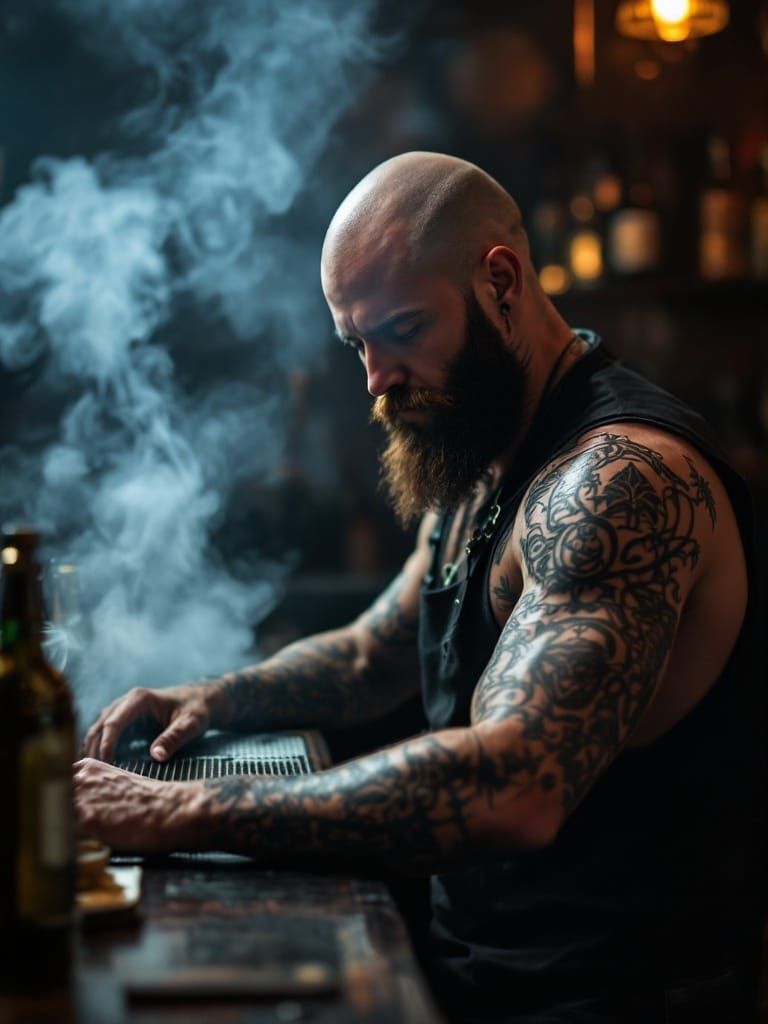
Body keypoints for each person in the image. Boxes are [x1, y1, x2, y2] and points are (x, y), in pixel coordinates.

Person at [75, 152, 765, 1023]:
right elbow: (375, 652)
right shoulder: (487, 449)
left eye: (401, 329)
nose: (375, 379)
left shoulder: (618, 482)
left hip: (608, 999)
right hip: (476, 975)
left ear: (501, 281)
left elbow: (516, 784)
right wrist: (214, 697)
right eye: (357, 343)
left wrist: (189, 810)